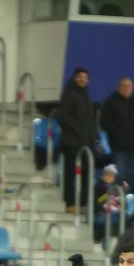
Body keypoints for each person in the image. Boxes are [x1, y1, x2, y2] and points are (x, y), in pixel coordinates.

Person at [57, 68, 95, 214]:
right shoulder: (69, 94)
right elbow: (64, 117)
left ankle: (83, 203)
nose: (82, 79)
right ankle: (70, 202)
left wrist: (92, 135)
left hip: (86, 143)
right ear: (74, 78)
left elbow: (90, 120)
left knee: (86, 175)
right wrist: (79, 131)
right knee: (70, 174)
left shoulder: (86, 95)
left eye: (85, 77)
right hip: (71, 142)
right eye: (80, 77)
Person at [100, 77, 134, 187]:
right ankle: (117, 202)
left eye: (129, 86)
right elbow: (105, 123)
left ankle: (128, 201)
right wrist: (118, 135)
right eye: (123, 86)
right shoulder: (110, 103)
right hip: (118, 148)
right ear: (118, 87)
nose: (126, 88)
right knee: (120, 175)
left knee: (132, 176)